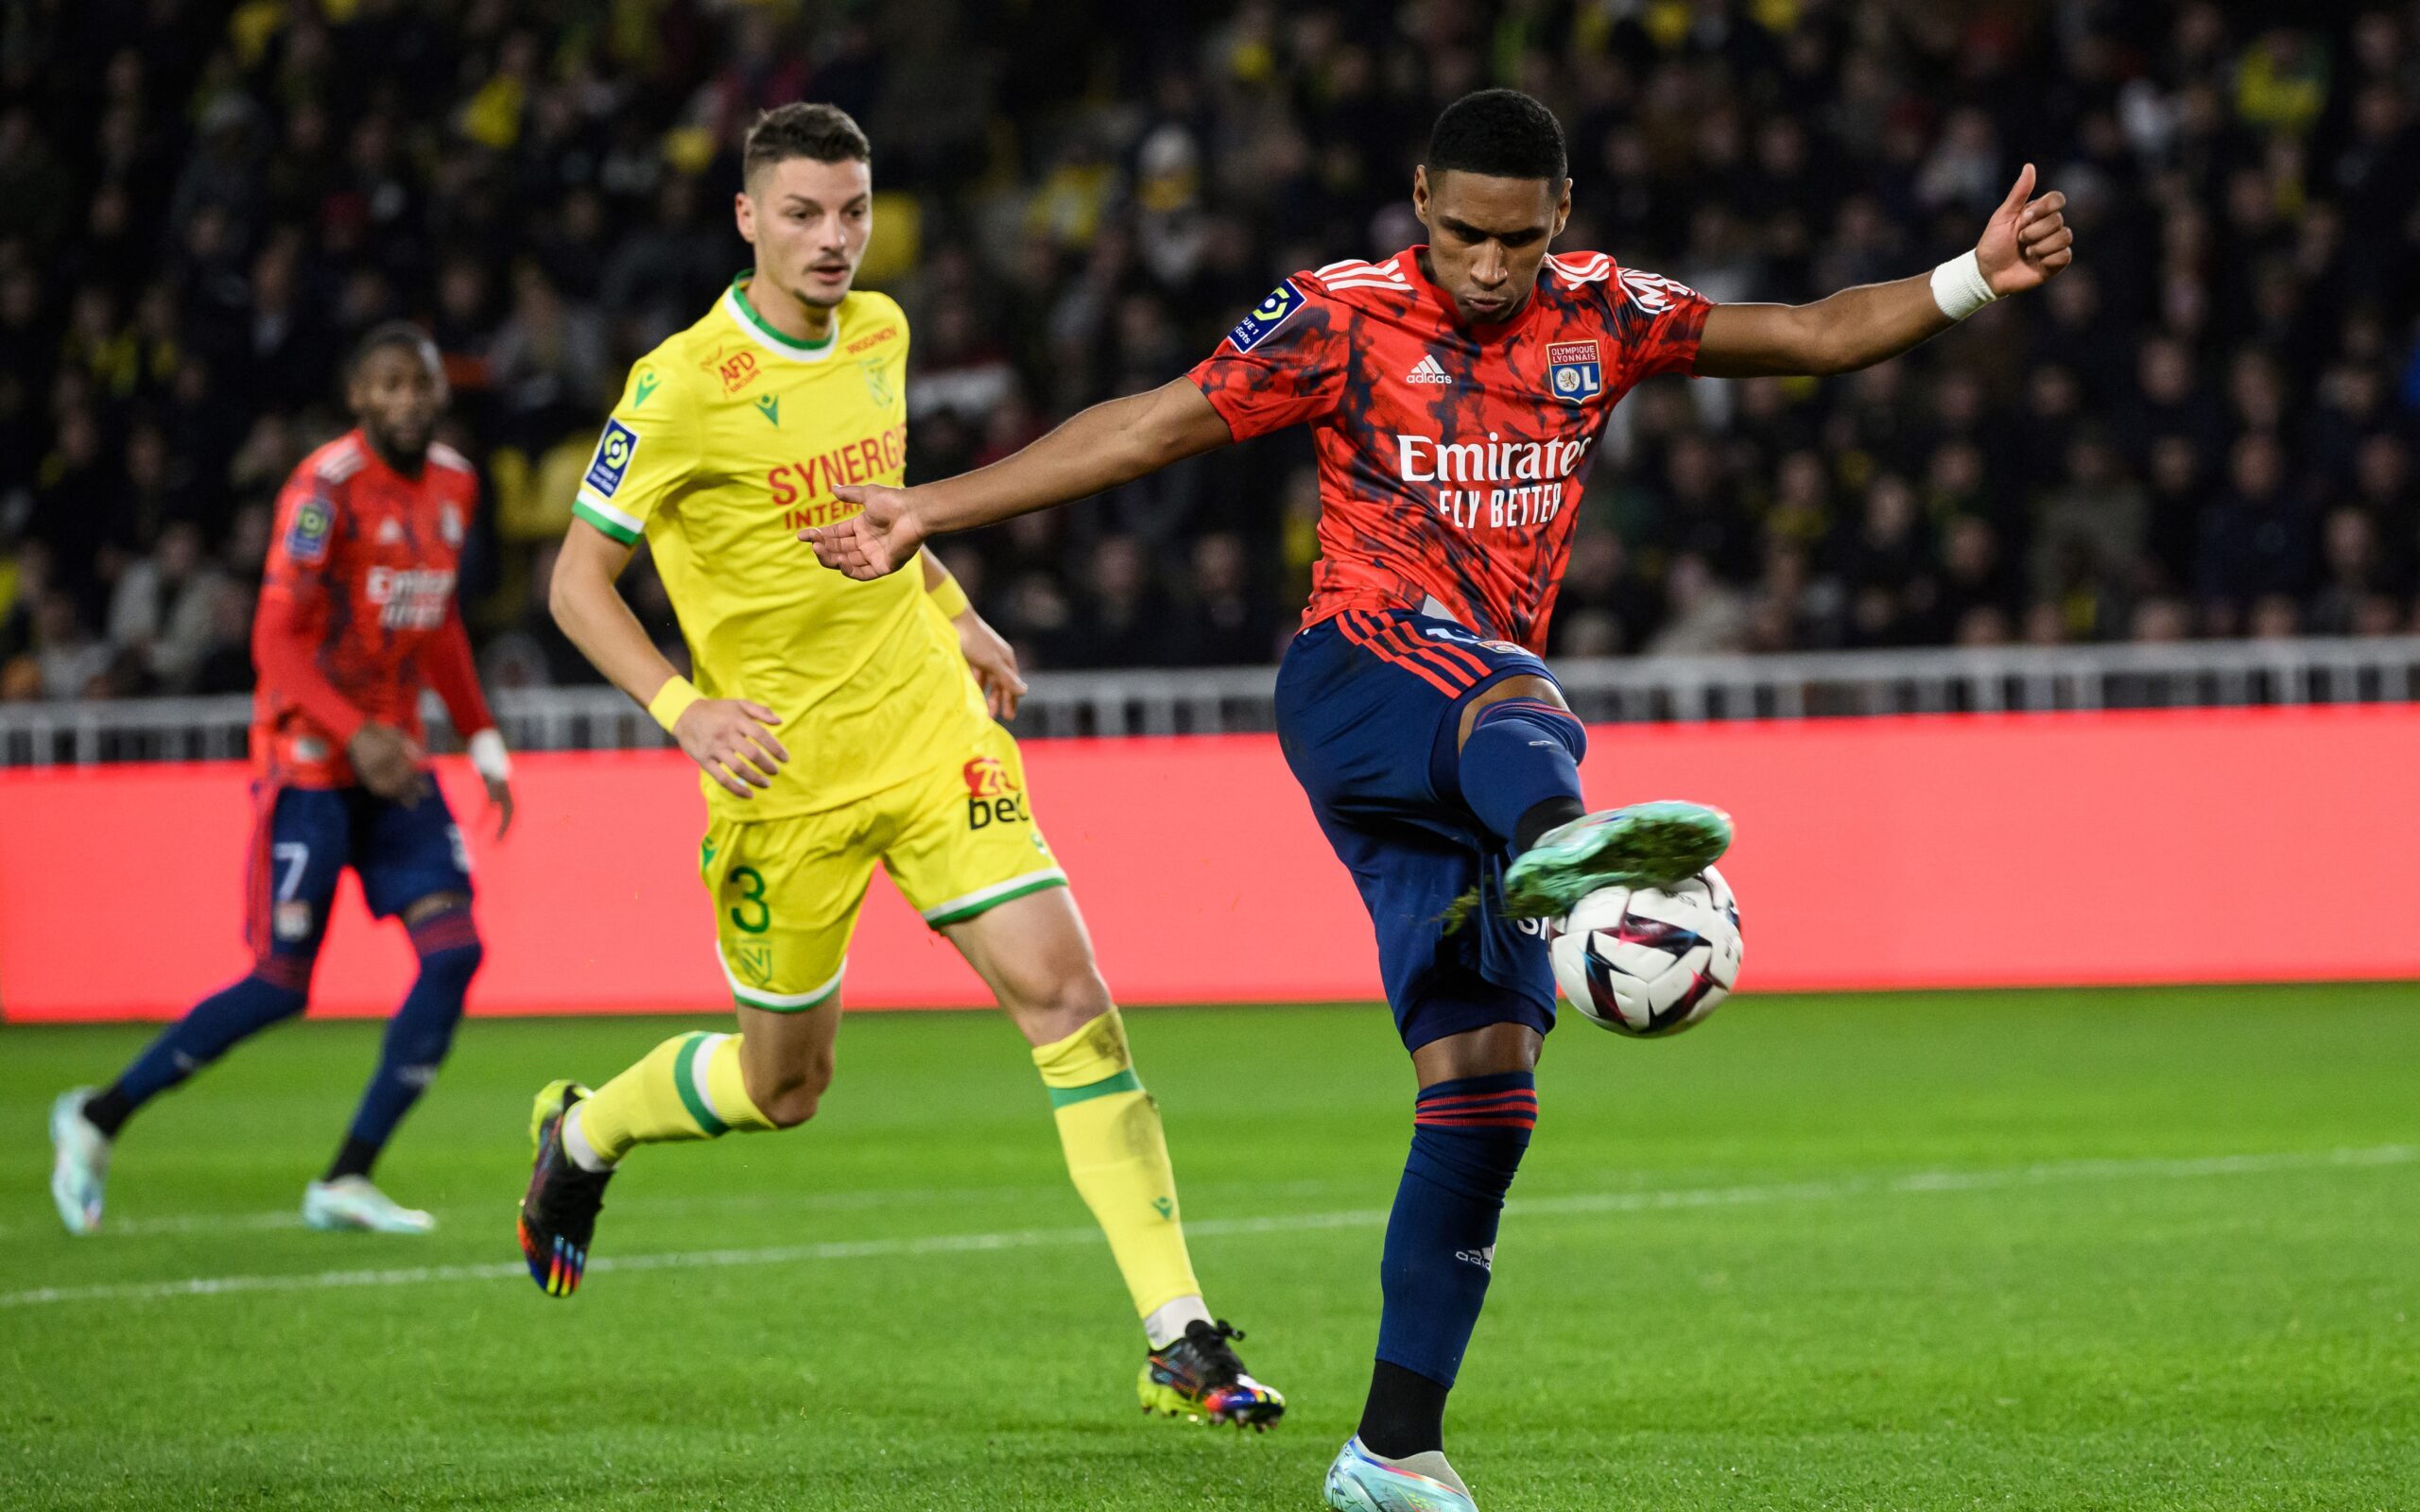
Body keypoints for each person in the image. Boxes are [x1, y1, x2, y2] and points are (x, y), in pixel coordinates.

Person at [805, 88, 2074, 1511]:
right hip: (1361, 677)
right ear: (1420, 202)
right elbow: (1149, 430)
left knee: (1485, 1092)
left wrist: (1973, 278)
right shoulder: (1337, 316)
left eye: (1517, 241)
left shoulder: (1604, 312)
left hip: (1467, 756)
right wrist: (930, 508)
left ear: (1562, 219)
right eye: (1464, 233)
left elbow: (1813, 333)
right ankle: (1574, 862)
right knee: (1518, 697)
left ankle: (1392, 1449)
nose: (1488, 266)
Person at [525, 103, 1283, 1429]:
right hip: (782, 782)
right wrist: (681, 708)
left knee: (1069, 999)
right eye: (806, 214)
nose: (834, 240)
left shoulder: (883, 333)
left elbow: (877, 518)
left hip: (932, 736)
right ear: (748, 218)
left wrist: (960, 611)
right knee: (786, 1089)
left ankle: (1181, 1334)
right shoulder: (682, 385)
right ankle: (585, 1132)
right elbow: (575, 581)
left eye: (854, 213)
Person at [50, 323, 515, 1236]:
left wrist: (484, 739)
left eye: (420, 384)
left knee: (455, 950)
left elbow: (439, 622)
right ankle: (98, 1117)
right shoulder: (323, 492)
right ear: (358, 397)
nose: (408, 400)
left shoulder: (457, 483)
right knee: (280, 983)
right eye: (388, 385)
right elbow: (275, 642)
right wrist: (358, 733)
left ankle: (346, 1176)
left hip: (394, 770)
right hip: (308, 765)